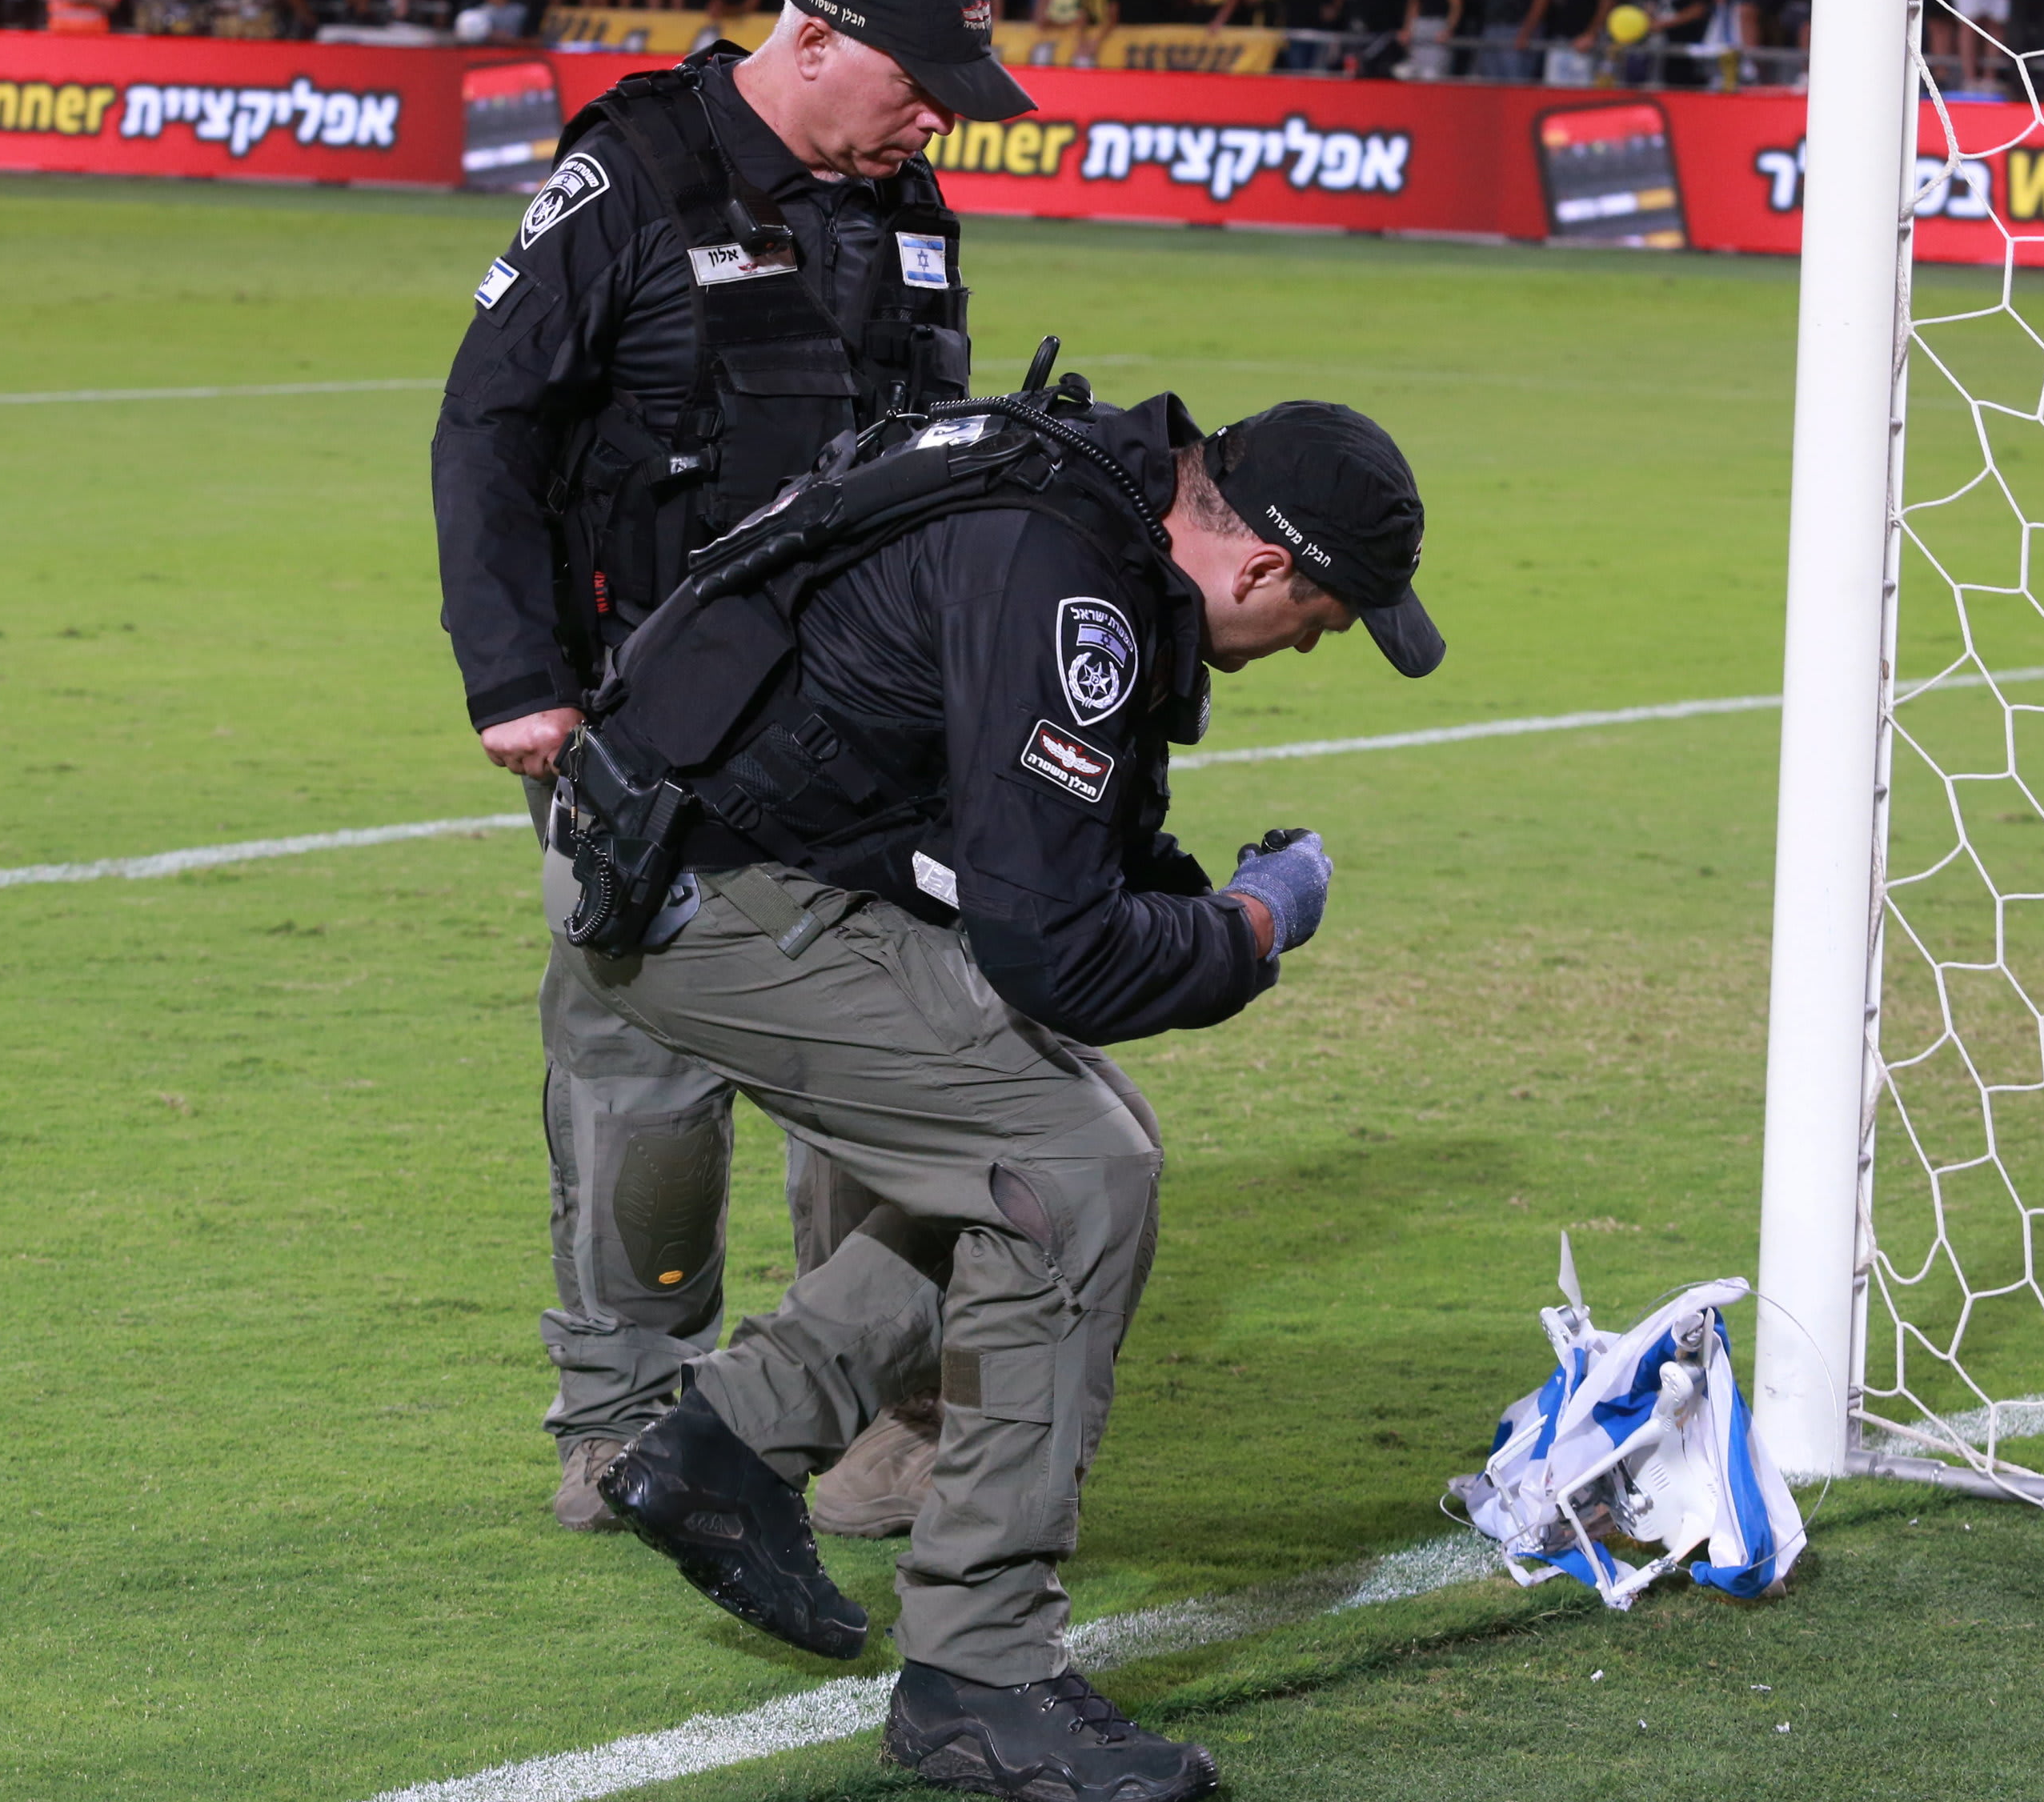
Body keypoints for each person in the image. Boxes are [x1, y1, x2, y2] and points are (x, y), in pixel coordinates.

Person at [567, 390, 1441, 1802]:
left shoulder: (1081, 504)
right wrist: (1257, 928)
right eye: (1324, 621)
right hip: (705, 897)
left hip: (702, 850)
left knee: (1063, 1150)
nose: (1307, 650)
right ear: (1266, 568)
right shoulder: (1070, 576)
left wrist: (1191, 901)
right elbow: (1060, 956)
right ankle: (980, 1674)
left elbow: (1042, 854)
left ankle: (727, 1447)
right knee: (1077, 1169)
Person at [430, 0, 1025, 1546]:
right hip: (641, 726)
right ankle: (624, 1412)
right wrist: (514, 678)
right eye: (922, 77)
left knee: (888, 1068)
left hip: (866, 729)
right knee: (643, 1080)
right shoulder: (624, 179)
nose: (943, 114)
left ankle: (871, 1421)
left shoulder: (906, 204)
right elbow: (485, 425)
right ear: (814, 37)